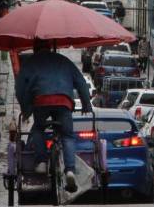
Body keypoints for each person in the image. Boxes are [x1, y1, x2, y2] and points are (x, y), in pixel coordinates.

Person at [15, 39, 94, 193]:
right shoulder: (64, 61)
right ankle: (70, 170)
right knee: (67, 136)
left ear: (35, 48)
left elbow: (20, 88)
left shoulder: (31, 63)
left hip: (41, 102)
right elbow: (81, 83)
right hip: (64, 102)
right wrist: (86, 104)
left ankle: (41, 161)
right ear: (50, 47)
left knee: (38, 129)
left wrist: (26, 109)